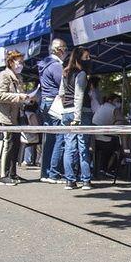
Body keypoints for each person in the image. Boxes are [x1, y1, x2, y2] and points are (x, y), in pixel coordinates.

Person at [0, 50, 32, 186]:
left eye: (22, 62)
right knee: (8, 145)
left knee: (15, 145)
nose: (21, 65)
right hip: (6, 117)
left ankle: (13, 173)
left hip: (16, 117)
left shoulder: (18, 78)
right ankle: (3, 175)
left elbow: (18, 96)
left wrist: (26, 98)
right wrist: (18, 97)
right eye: (19, 62)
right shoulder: (4, 75)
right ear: (11, 62)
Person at [59, 46, 93, 190]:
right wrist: (77, 117)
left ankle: (70, 180)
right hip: (80, 113)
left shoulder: (65, 73)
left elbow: (61, 93)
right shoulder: (82, 74)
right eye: (86, 57)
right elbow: (79, 96)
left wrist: (66, 110)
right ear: (79, 58)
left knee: (69, 147)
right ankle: (86, 180)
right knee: (83, 146)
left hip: (66, 111)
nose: (89, 60)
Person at [38, 38, 67, 184]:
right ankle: (54, 174)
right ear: (60, 49)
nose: (66, 52)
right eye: (65, 49)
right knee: (58, 138)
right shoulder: (56, 66)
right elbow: (63, 85)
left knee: (49, 140)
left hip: (45, 103)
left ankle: (45, 172)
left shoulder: (44, 64)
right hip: (55, 104)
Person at [92, 93, 124, 174]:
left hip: (93, 140)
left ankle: (101, 167)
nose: (118, 103)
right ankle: (111, 169)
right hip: (104, 140)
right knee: (121, 146)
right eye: (117, 101)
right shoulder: (114, 109)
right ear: (110, 100)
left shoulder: (101, 107)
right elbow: (121, 122)